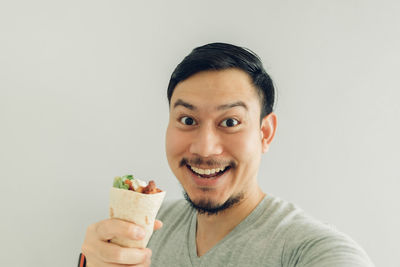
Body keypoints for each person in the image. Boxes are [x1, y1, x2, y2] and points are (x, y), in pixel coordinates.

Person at [81, 43, 374, 266]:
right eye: (187, 120)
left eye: (230, 122)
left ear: (265, 133)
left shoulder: (311, 250)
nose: (205, 148)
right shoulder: (149, 228)